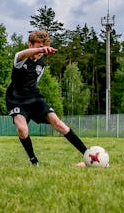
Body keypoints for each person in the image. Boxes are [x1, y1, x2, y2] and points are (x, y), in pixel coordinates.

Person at [6, 30, 88, 166]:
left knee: (58, 123)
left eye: (42, 50)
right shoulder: (20, 58)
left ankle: (88, 155)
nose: (40, 52)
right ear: (30, 44)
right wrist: (42, 49)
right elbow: (23, 54)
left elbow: (34, 81)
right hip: (16, 100)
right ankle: (34, 161)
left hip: (35, 98)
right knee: (22, 129)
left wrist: (42, 50)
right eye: (38, 48)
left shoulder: (41, 65)